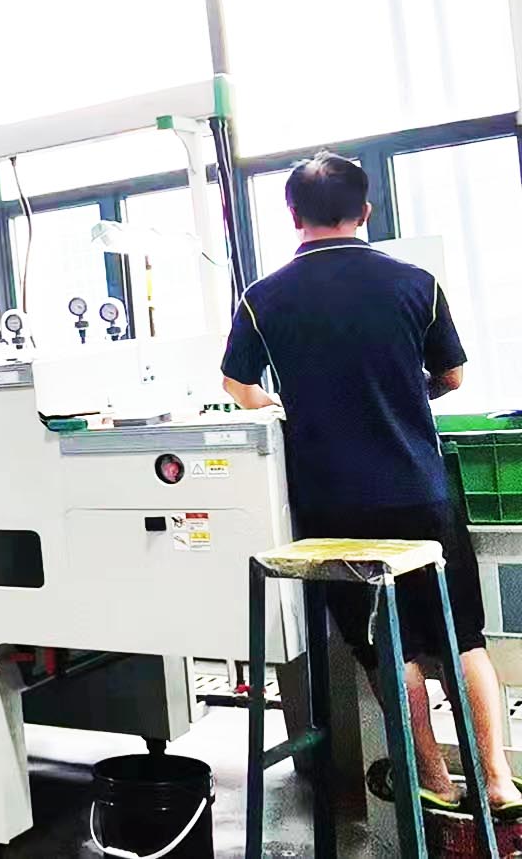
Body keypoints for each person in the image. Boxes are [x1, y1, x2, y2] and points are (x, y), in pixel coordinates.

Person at [220, 151, 521, 815]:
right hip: (420, 490)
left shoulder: (262, 298)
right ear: (365, 210)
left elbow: (238, 385)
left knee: (387, 644)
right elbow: (452, 377)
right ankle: (498, 781)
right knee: (462, 637)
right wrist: (405, 394)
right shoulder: (417, 283)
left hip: (334, 503)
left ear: (292, 215)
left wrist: (284, 407)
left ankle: (434, 779)